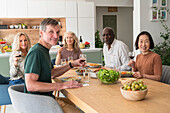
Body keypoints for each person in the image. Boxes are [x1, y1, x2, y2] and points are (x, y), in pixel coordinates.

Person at [24, 18, 84, 113]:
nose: (56, 36)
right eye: (51, 32)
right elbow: (31, 85)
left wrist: (72, 64)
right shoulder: (36, 52)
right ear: (41, 33)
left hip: (46, 99)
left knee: (76, 105)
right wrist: (62, 85)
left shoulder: (44, 50)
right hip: (39, 103)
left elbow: (52, 73)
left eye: (57, 32)